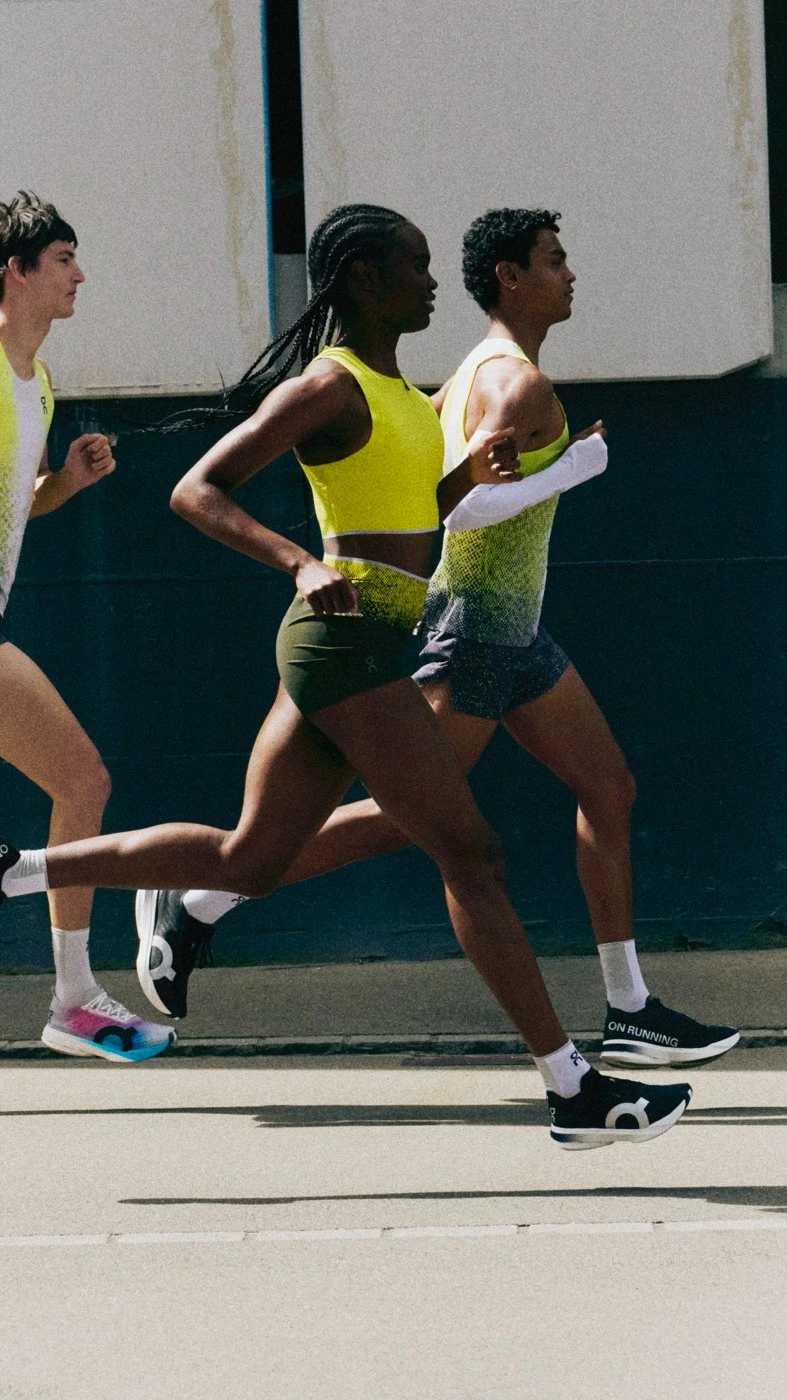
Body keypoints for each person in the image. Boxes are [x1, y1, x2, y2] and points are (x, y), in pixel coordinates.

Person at [1, 202, 691, 1145]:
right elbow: (194, 490)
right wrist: (299, 562)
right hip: (344, 643)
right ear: (364, 279)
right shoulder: (330, 385)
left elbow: (418, 516)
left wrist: (471, 478)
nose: (430, 280)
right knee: (470, 852)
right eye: (412, 266)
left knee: (252, 858)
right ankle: (574, 1088)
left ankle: (15, 872)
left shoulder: (406, 398)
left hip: (364, 644)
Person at [138, 208, 737, 1072]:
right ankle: (201, 900)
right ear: (509, 276)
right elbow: (463, 510)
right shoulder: (507, 383)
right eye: (554, 261)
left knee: (607, 786)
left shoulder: (465, 376)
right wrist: (572, 469)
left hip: (513, 629)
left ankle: (630, 1005)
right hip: (475, 628)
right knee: (417, 825)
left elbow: (440, 491)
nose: (571, 275)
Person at [0, 191, 175, 1062]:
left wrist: (64, 483)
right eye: (63, 258)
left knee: (82, 781)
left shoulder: (36, 384)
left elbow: (18, 503)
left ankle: (73, 998)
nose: (80, 275)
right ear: (16, 271)